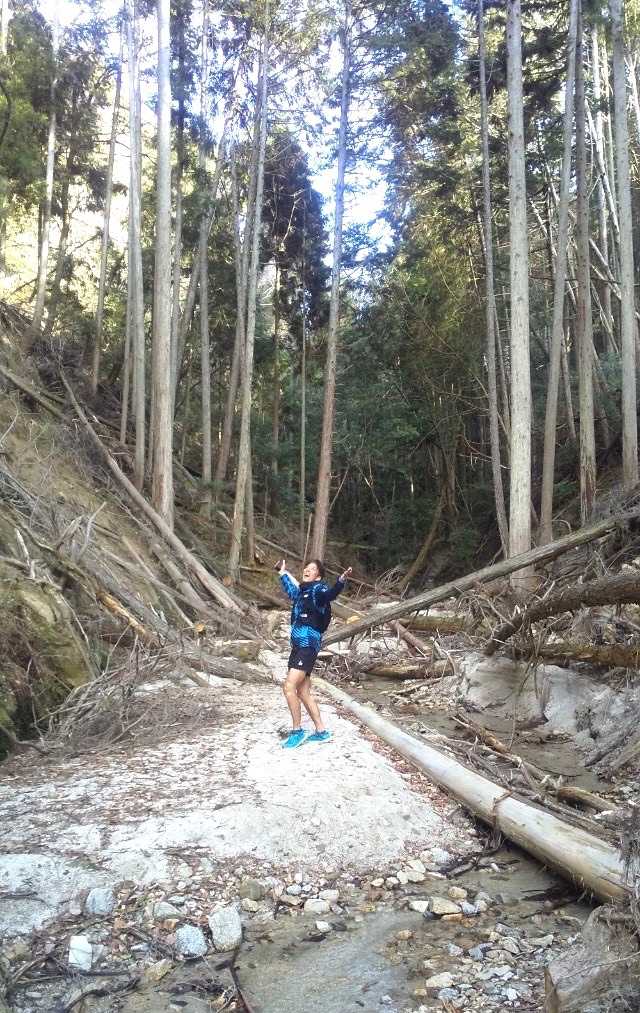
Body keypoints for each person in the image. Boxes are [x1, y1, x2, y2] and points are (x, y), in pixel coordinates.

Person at [276, 558, 352, 749]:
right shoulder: (302, 592)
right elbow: (290, 590)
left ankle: (297, 731)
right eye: (306, 568)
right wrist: (282, 573)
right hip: (298, 646)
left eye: (312, 569)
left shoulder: (319, 590)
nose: (307, 570)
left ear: (318, 576)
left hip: (308, 644)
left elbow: (330, 595)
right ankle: (321, 731)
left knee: (289, 687)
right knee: (302, 692)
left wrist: (341, 581)